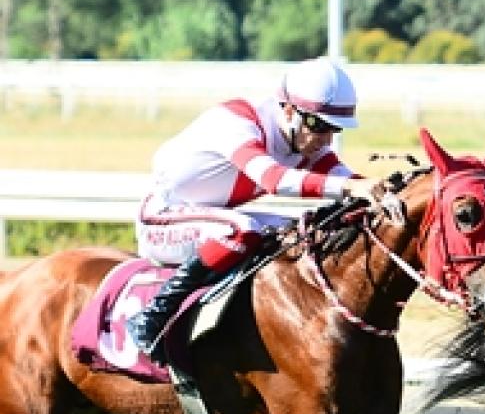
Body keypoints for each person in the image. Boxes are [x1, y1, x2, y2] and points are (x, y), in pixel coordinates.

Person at [128, 56, 379, 365]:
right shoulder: (238, 122)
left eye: (334, 129)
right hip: (162, 218)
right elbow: (273, 179)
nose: (326, 139)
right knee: (242, 230)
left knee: (301, 231)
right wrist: (352, 189)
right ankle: (153, 317)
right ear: (288, 110)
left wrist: (387, 190)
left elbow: (348, 180)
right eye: (319, 125)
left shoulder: (300, 138)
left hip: (209, 217)